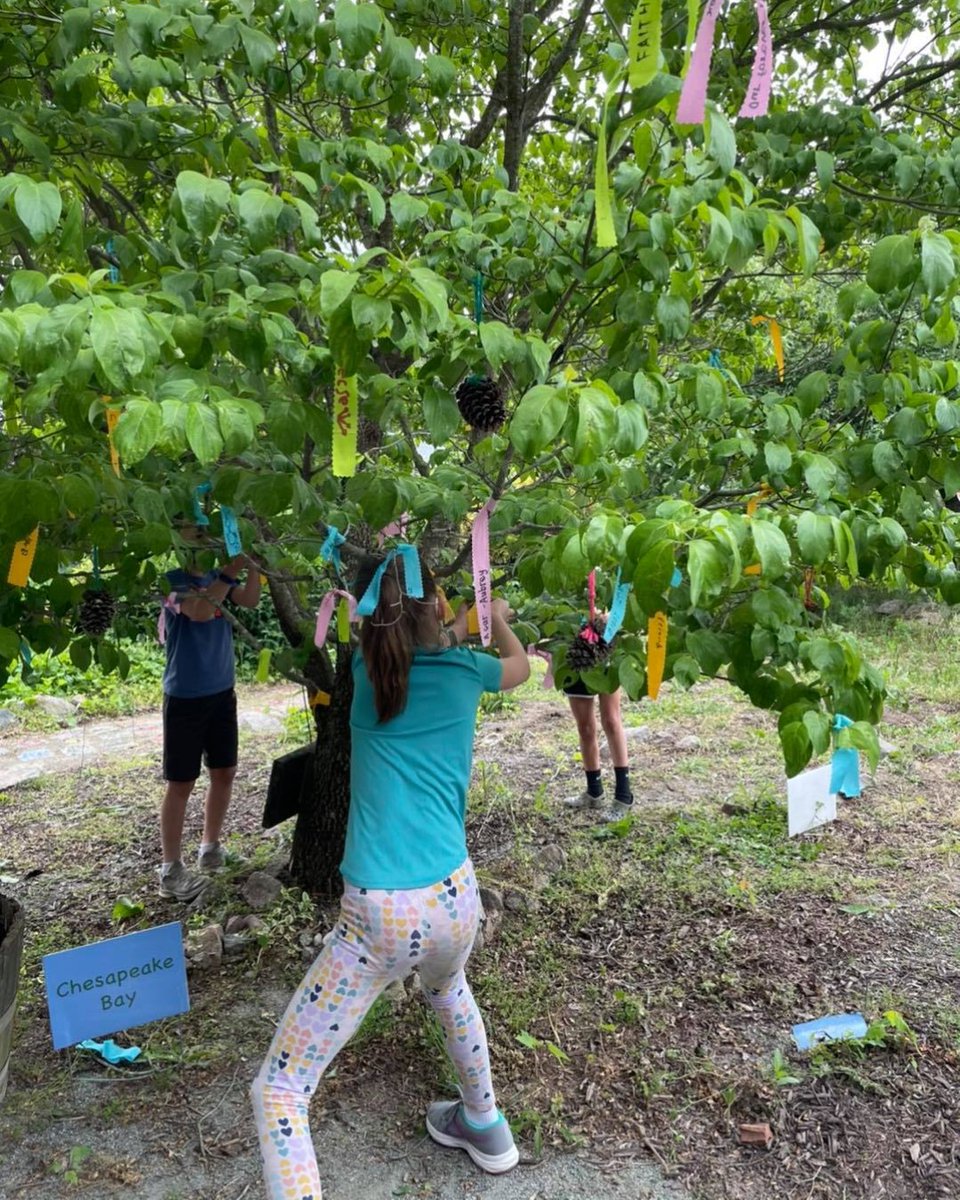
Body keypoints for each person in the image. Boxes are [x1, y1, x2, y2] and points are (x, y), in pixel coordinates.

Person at [252, 550, 530, 1197]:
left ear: (363, 622)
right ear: (438, 608)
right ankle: (485, 1123)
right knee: (448, 988)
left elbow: (390, 637)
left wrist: (448, 623)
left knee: (281, 1090)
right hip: (457, 899)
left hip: (382, 917)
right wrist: (492, 620)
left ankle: (481, 1123)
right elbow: (517, 666)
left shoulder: (366, 675)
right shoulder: (465, 671)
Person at [158, 547, 261, 902]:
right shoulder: (173, 581)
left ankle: (211, 848)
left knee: (224, 771)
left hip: (222, 691)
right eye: (196, 532)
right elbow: (200, 612)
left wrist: (254, 565)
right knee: (181, 781)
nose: (205, 539)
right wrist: (231, 571)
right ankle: (171, 869)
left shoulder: (217, 575)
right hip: (185, 696)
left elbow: (249, 599)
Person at [563, 677, 634, 818]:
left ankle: (624, 796)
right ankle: (594, 792)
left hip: (606, 659)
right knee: (585, 728)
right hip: (575, 659)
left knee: (611, 720)